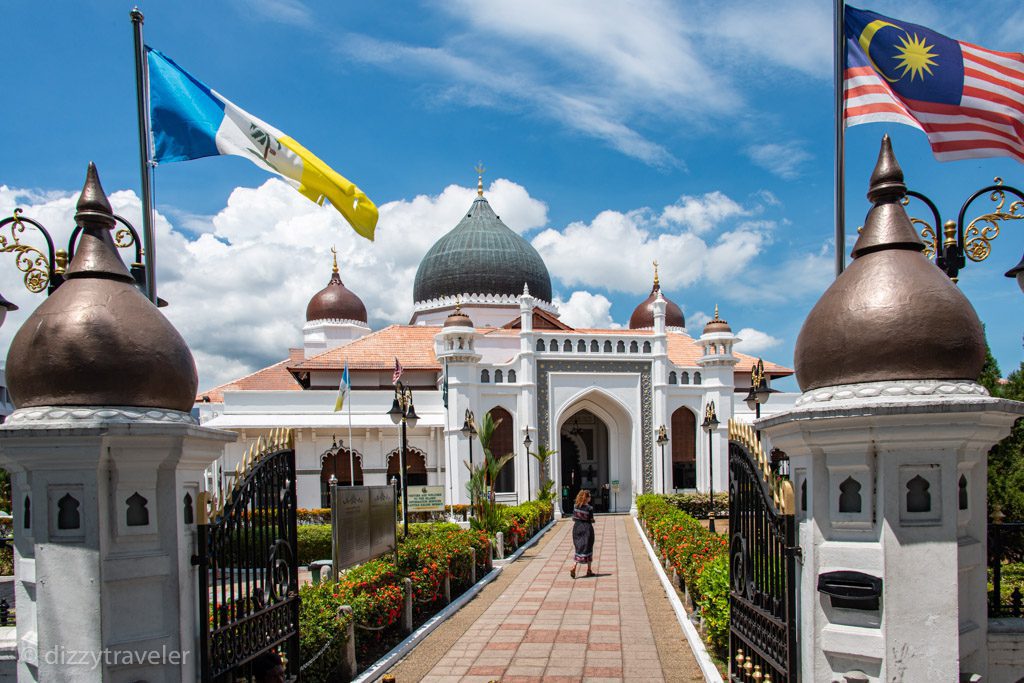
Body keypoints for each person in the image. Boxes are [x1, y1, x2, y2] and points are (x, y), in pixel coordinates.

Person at [569, 489, 595, 579]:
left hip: (577, 528)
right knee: (588, 548)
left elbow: (573, 518)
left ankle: (574, 566)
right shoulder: (589, 508)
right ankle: (589, 570)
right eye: (589, 496)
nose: (590, 498)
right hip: (587, 528)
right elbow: (591, 519)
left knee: (579, 548)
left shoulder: (575, 506)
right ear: (586, 498)